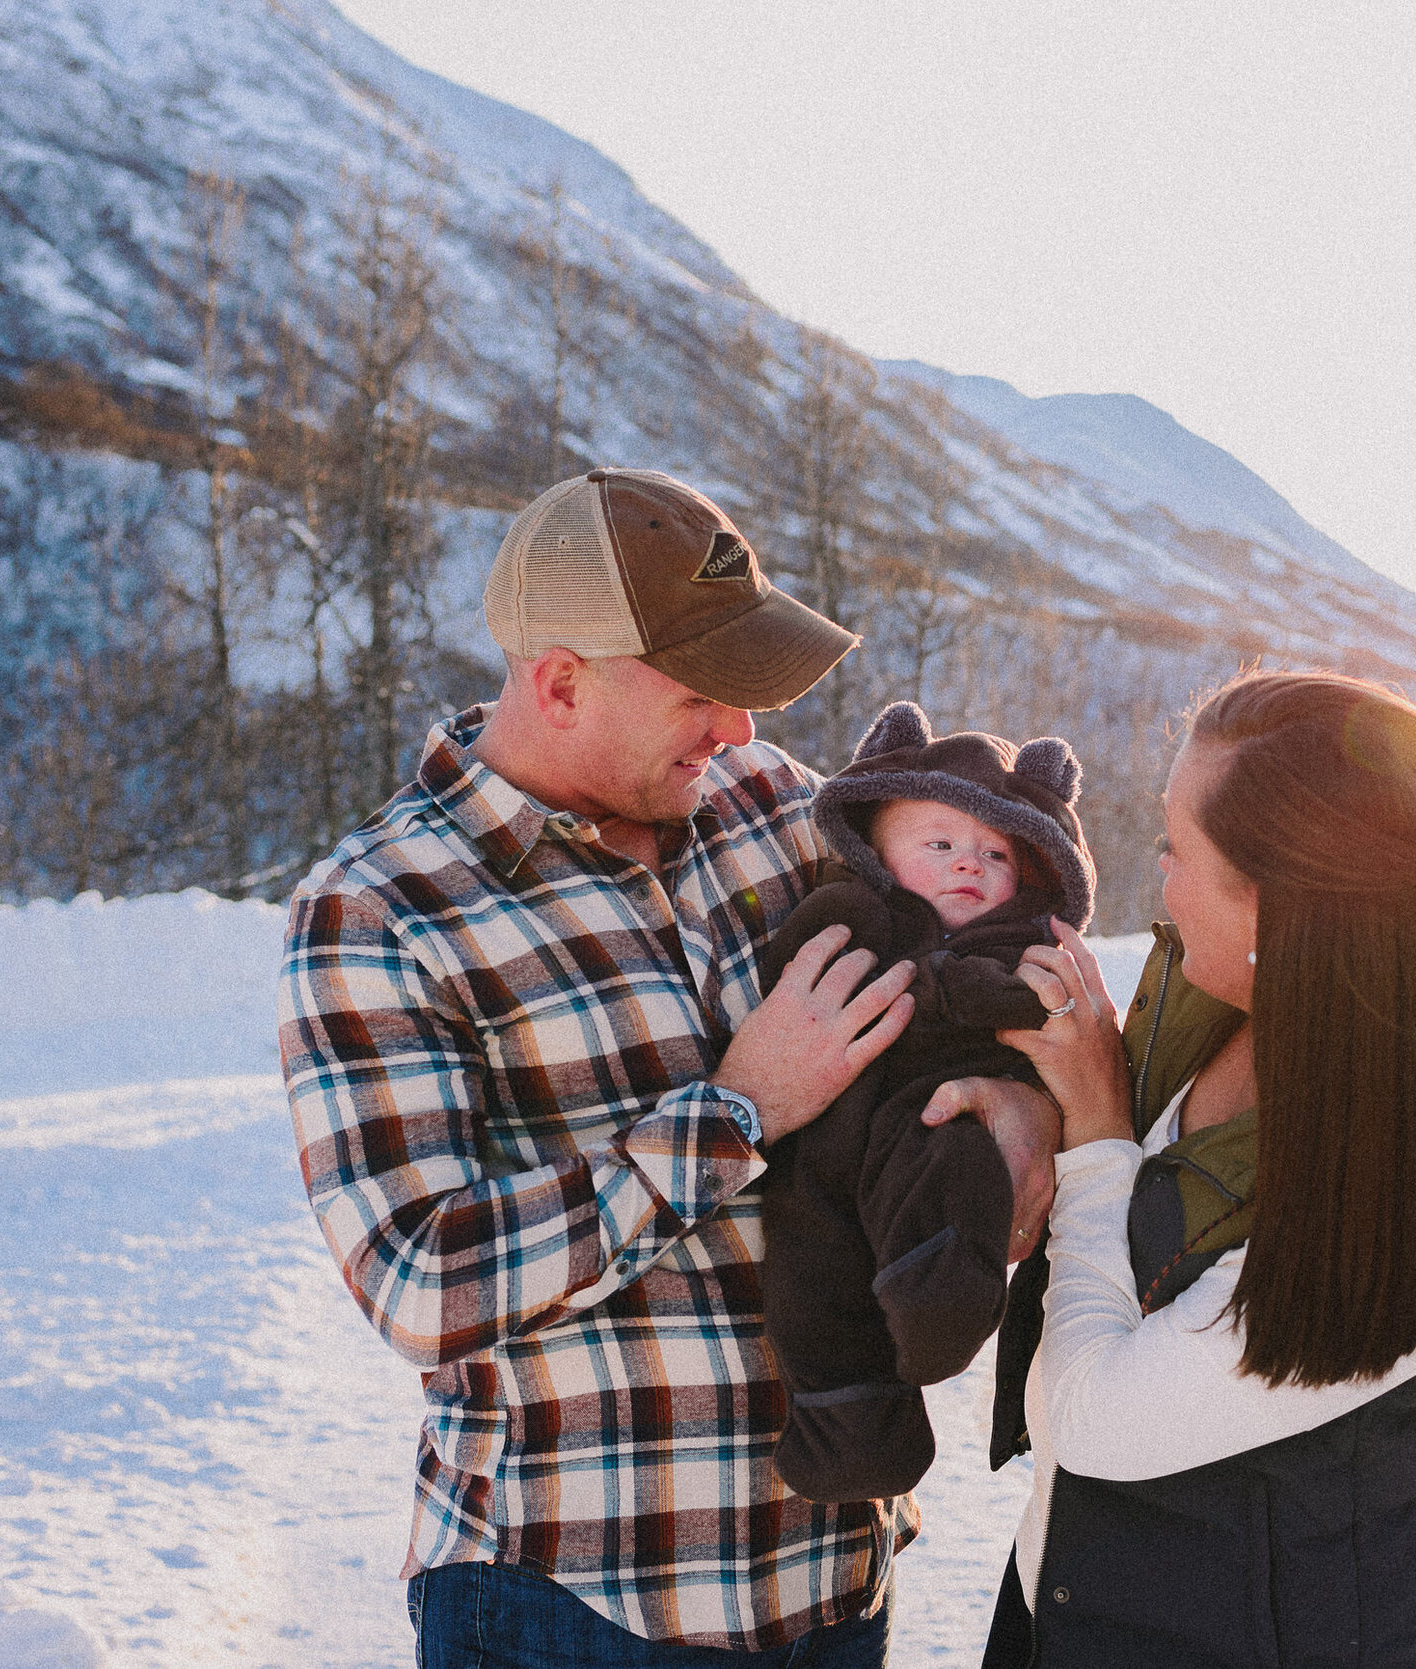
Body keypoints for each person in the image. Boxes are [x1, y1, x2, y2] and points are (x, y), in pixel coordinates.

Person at [277, 468, 1058, 1669]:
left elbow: (957, 973)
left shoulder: (778, 808)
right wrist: (738, 1111)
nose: (743, 729)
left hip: (831, 1577)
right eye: (704, 693)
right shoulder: (377, 912)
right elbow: (419, 1280)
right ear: (560, 683)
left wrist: (1011, 1102)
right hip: (573, 1603)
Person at [954, 669, 1416, 1669]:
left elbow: (1089, 1417)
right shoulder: (1225, 985)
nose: (1162, 878)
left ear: (1283, 914)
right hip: (1079, 1600)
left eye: (1175, 849)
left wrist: (1097, 1131)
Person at [755, 701, 1095, 1505]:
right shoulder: (846, 912)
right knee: (812, 1286)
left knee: (954, 1167)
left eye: (994, 854)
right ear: (876, 847)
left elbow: (1053, 1023)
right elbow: (789, 973)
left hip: (932, 1115)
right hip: (821, 1144)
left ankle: (942, 1288)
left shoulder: (1021, 949)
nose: (967, 865)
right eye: (937, 844)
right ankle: (849, 1439)